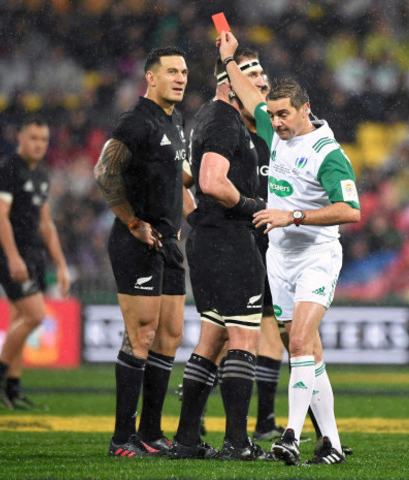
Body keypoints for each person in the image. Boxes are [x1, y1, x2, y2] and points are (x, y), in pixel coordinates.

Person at [218, 31, 361, 466]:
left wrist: (292, 216)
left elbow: (351, 210)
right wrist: (228, 61)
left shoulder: (328, 153)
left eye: (284, 115)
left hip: (317, 256)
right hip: (279, 258)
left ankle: (292, 436)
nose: (275, 123)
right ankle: (332, 443)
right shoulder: (275, 129)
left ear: (305, 110)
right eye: (273, 115)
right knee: (308, 352)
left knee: (297, 341)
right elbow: (247, 95)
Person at [167, 51, 271, 461]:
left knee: (212, 338)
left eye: (262, 75)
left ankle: (187, 439)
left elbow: (184, 178)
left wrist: (198, 219)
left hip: (211, 238)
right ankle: (238, 443)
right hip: (230, 240)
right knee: (244, 336)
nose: (260, 83)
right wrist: (251, 207)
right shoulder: (225, 120)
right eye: (251, 74)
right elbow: (210, 181)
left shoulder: (209, 118)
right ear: (228, 80)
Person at [93, 46, 189, 458]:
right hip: (138, 242)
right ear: (150, 77)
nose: (180, 78)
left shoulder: (175, 120)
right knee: (142, 335)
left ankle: (150, 432)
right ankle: (121, 438)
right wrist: (133, 222)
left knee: (169, 335)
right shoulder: (136, 121)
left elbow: (175, 176)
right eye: (171, 71)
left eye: (184, 71)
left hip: (170, 243)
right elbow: (104, 170)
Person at [0, 114, 70, 410]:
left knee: (19, 319)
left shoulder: (41, 175)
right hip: (12, 256)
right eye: (33, 137)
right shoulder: (6, 170)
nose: (39, 144)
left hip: (34, 256)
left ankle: (12, 390)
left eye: (44, 139)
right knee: (34, 315)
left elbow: (46, 225)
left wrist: (60, 264)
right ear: (19, 137)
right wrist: (13, 256)